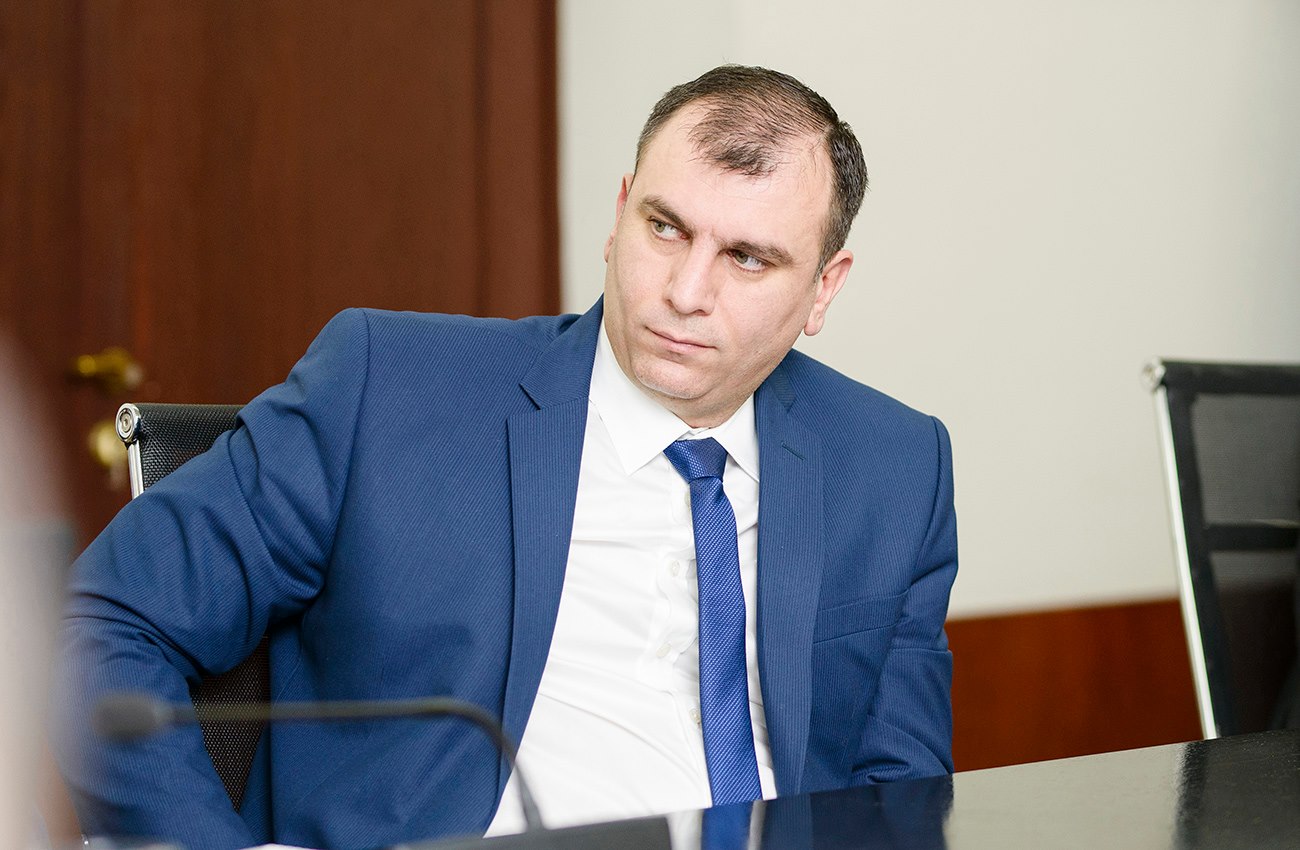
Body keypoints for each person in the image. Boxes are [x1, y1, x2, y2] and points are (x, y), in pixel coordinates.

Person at [55, 65, 957, 850]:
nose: (686, 292)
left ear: (824, 289)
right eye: (666, 228)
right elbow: (97, 624)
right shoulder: (390, 388)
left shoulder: (893, 467)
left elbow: (901, 796)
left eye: (749, 259)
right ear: (619, 213)